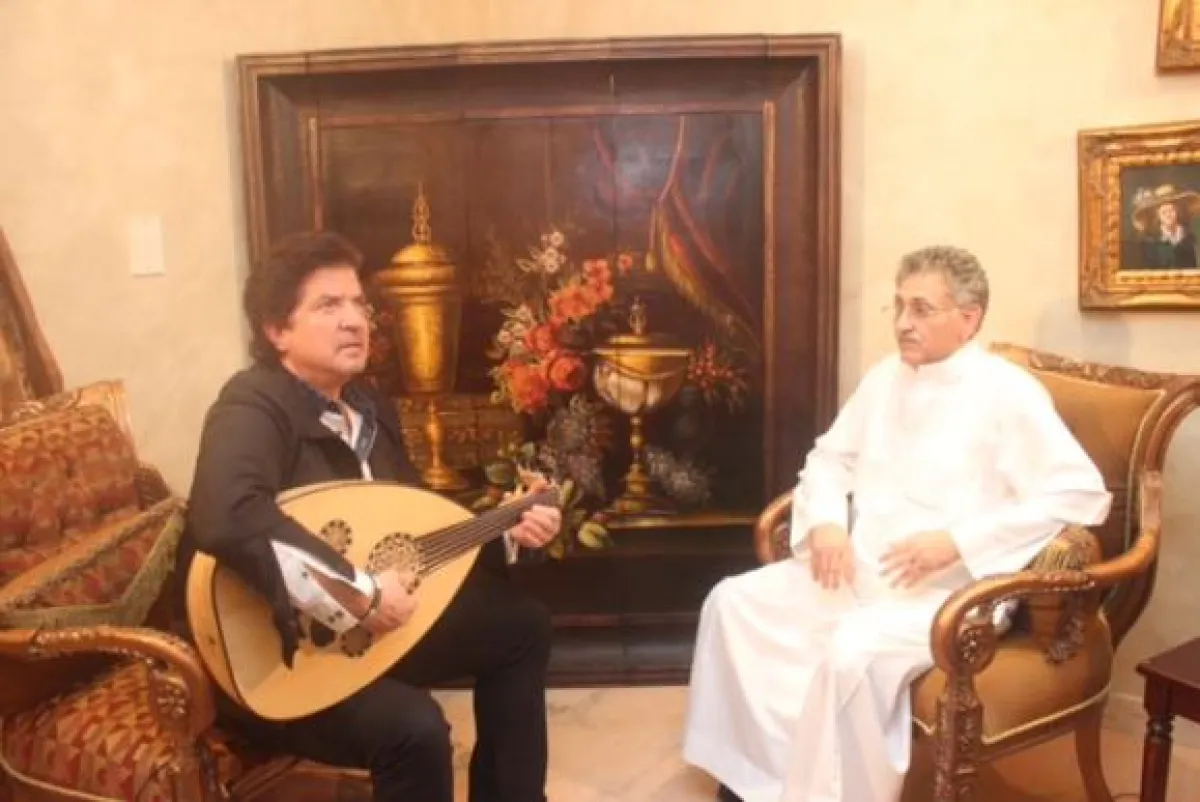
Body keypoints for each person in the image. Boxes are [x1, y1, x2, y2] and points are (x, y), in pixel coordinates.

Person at [680, 245, 1112, 802]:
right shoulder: (885, 378)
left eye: (921, 309)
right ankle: (757, 774)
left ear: (969, 318)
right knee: (733, 603)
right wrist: (827, 523)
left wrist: (958, 543)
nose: (904, 322)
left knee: (852, 650)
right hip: (858, 569)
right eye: (899, 305)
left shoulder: (1009, 393)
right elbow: (830, 458)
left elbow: (1080, 493)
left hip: (950, 595)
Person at [171, 230, 562, 802]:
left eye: (358, 303)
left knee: (521, 626)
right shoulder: (251, 405)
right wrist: (359, 594)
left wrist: (506, 529)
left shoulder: (368, 406)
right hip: (277, 656)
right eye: (328, 306)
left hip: (361, 636)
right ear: (277, 330)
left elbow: (411, 538)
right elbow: (227, 513)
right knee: (415, 729)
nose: (355, 320)